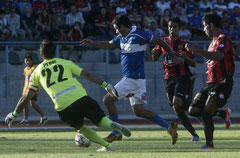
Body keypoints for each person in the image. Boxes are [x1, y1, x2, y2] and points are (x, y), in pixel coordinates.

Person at [5, 40, 131, 152]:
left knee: (80, 128)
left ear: (41, 54)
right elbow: (86, 74)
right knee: (101, 120)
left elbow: (26, 97)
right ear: (55, 53)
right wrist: (105, 84)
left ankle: (108, 146)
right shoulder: (65, 62)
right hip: (81, 97)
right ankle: (111, 124)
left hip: (63, 106)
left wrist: (15, 114)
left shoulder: (36, 71)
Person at [81, 14, 183, 144]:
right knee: (139, 111)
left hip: (132, 79)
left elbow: (160, 41)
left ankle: (116, 133)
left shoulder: (139, 35)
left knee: (107, 100)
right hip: (137, 81)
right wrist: (92, 43)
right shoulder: (122, 38)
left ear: (123, 26)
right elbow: (109, 44)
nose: (116, 31)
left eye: (117, 28)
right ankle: (169, 127)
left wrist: (173, 55)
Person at [185, 12, 235, 149]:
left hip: (222, 83)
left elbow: (218, 56)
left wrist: (197, 50)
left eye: (204, 26)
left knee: (207, 112)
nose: (203, 29)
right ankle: (222, 113)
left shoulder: (223, 39)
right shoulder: (212, 42)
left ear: (211, 25)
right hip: (210, 83)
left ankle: (209, 144)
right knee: (193, 110)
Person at [151, 17, 200, 142]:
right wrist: (153, 53)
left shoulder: (184, 44)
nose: (172, 29)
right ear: (167, 27)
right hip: (168, 79)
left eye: (175, 27)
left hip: (182, 77)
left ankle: (198, 116)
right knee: (178, 107)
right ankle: (195, 132)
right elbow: (154, 59)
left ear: (179, 28)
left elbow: (193, 63)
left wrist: (185, 58)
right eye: (170, 26)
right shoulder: (162, 42)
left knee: (177, 102)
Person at [18, 53, 48, 125]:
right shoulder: (25, 69)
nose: (27, 62)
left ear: (31, 61)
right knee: (27, 105)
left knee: (32, 104)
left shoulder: (34, 68)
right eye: (26, 60)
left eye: (29, 60)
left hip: (32, 89)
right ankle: (26, 119)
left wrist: (37, 87)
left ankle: (42, 117)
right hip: (26, 90)